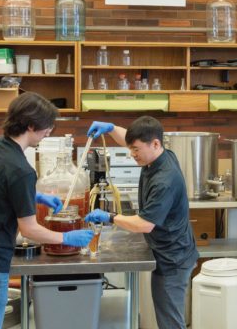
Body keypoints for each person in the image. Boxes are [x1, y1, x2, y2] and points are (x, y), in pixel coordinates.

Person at [0, 92, 93, 329]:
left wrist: (33, 196)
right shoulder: (23, 171)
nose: (49, 132)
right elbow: (29, 230)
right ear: (31, 125)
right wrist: (67, 237)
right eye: (48, 126)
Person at [84, 116, 198, 329]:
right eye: (131, 148)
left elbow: (144, 224)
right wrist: (110, 128)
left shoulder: (165, 179)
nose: (131, 154)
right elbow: (133, 140)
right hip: (171, 250)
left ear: (155, 144)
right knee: (167, 316)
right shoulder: (159, 155)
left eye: (135, 150)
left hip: (173, 258)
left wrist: (109, 216)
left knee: (170, 322)